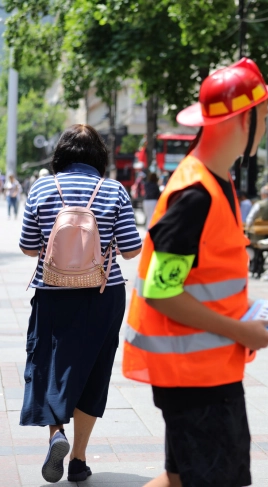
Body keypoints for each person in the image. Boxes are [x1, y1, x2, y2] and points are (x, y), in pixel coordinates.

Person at [122, 58, 268, 487]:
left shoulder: (214, 182)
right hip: (197, 377)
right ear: (244, 119)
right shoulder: (196, 193)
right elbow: (160, 291)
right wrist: (240, 331)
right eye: (265, 114)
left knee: (178, 479)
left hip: (203, 371)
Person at [18, 124, 142, 483]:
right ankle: (78, 460)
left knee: (49, 364)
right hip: (102, 295)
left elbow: (28, 246)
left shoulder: (42, 186)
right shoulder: (113, 190)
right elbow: (132, 249)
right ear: (98, 156)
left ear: (62, 153)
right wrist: (101, 252)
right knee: (93, 370)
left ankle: (57, 434)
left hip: (52, 292)